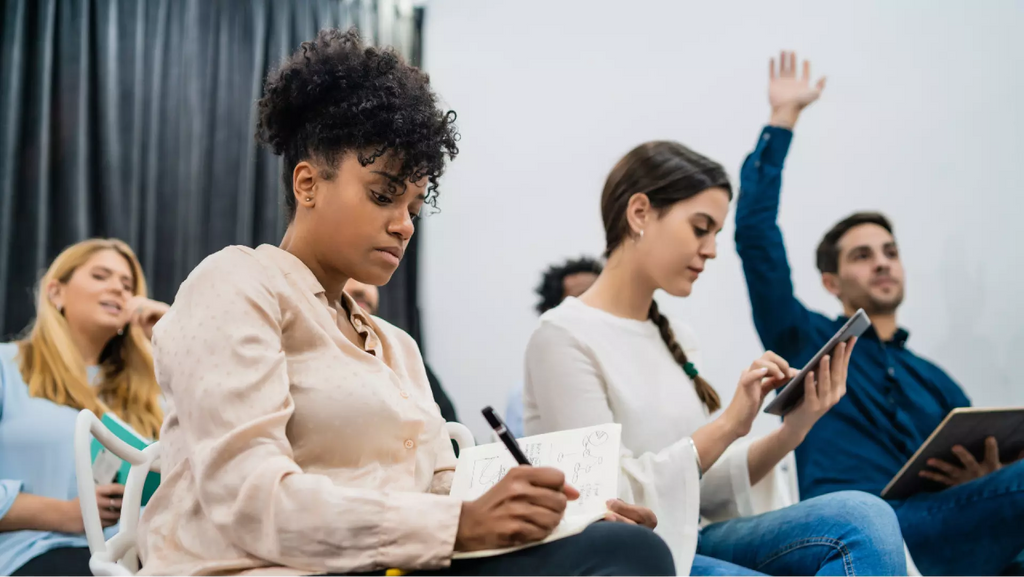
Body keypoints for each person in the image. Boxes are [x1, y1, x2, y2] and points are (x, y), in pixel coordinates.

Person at [136, 29, 674, 577]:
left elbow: (447, 489)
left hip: (401, 564)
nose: (403, 225)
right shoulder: (237, 283)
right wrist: (462, 525)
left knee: (620, 546)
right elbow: (247, 498)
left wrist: (568, 517)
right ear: (307, 184)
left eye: (415, 206)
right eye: (382, 195)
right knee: (629, 558)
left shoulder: (397, 348)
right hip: (257, 566)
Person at [523, 99, 908, 574]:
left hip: (696, 535)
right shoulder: (562, 336)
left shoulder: (677, 337)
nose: (710, 250)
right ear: (640, 212)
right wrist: (728, 424)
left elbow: (700, 485)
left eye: (717, 233)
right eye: (701, 229)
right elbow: (609, 497)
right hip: (633, 552)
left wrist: (796, 427)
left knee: (864, 515)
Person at [735, 51, 1024, 576]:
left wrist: (988, 474)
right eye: (862, 255)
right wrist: (783, 121)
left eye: (890, 251)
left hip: (950, 525)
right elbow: (755, 236)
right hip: (858, 528)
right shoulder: (806, 339)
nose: (883, 263)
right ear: (831, 281)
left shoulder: (938, 384)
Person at [0, 238, 169, 577]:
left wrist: (173, 340)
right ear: (56, 293)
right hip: (38, 553)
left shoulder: (153, 391)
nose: (119, 289)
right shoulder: (6, 367)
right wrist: (65, 514)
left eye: (127, 284)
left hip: (142, 561)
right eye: (100, 276)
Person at [505, 257, 603, 437]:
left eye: (601, 296)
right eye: (582, 298)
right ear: (552, 312)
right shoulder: (521, 398)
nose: (596, 308)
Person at [344, 278, 458, 423]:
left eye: (368, 280)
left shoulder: (405, 353)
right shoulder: (312, 356)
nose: (360, 288)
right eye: (346, 277)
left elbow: (453, 427)